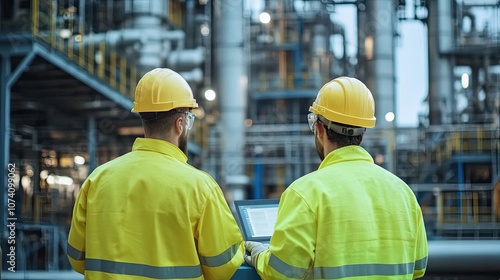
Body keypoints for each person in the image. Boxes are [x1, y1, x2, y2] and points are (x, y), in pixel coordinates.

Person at [67, 68, 245, 279]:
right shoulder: (200, 187)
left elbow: (77, 259)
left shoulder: (97, 180)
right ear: (180, 124)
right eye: (189, 119)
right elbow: (224, 267)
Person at [245, 77, 428, 279]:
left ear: (320, 129)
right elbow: (419, 267)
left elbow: (280, 273)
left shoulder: (305, 193)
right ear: (363, 131)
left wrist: (260, 255)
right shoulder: (404, 194)